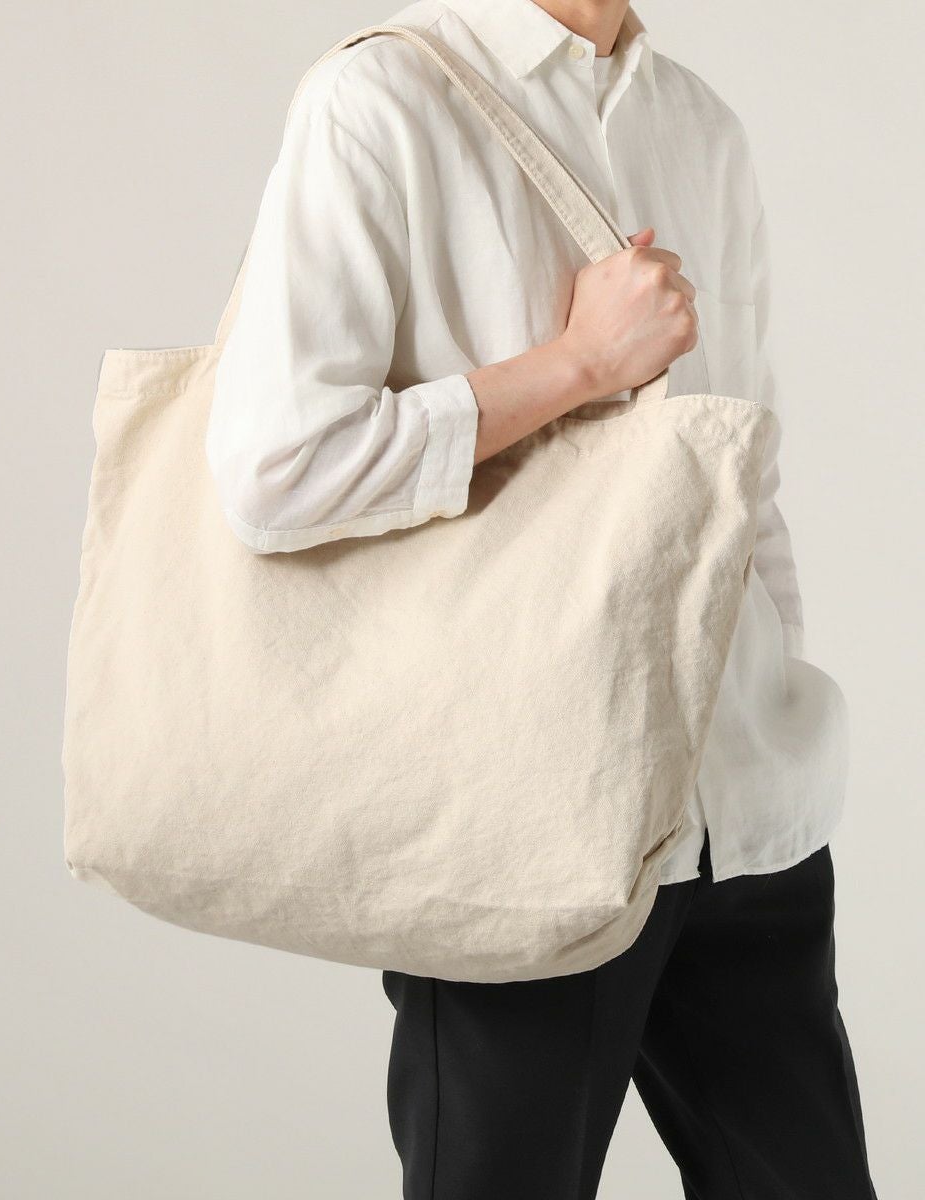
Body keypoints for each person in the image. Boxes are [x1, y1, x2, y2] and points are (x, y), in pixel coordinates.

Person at [205, 1, 877, 1195]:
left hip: (743, 814)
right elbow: (279, 470)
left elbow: (744, 473)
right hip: (523, 814)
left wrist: (771, 694)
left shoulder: (699, 125)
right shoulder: (380, 101)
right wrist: (576, 367)